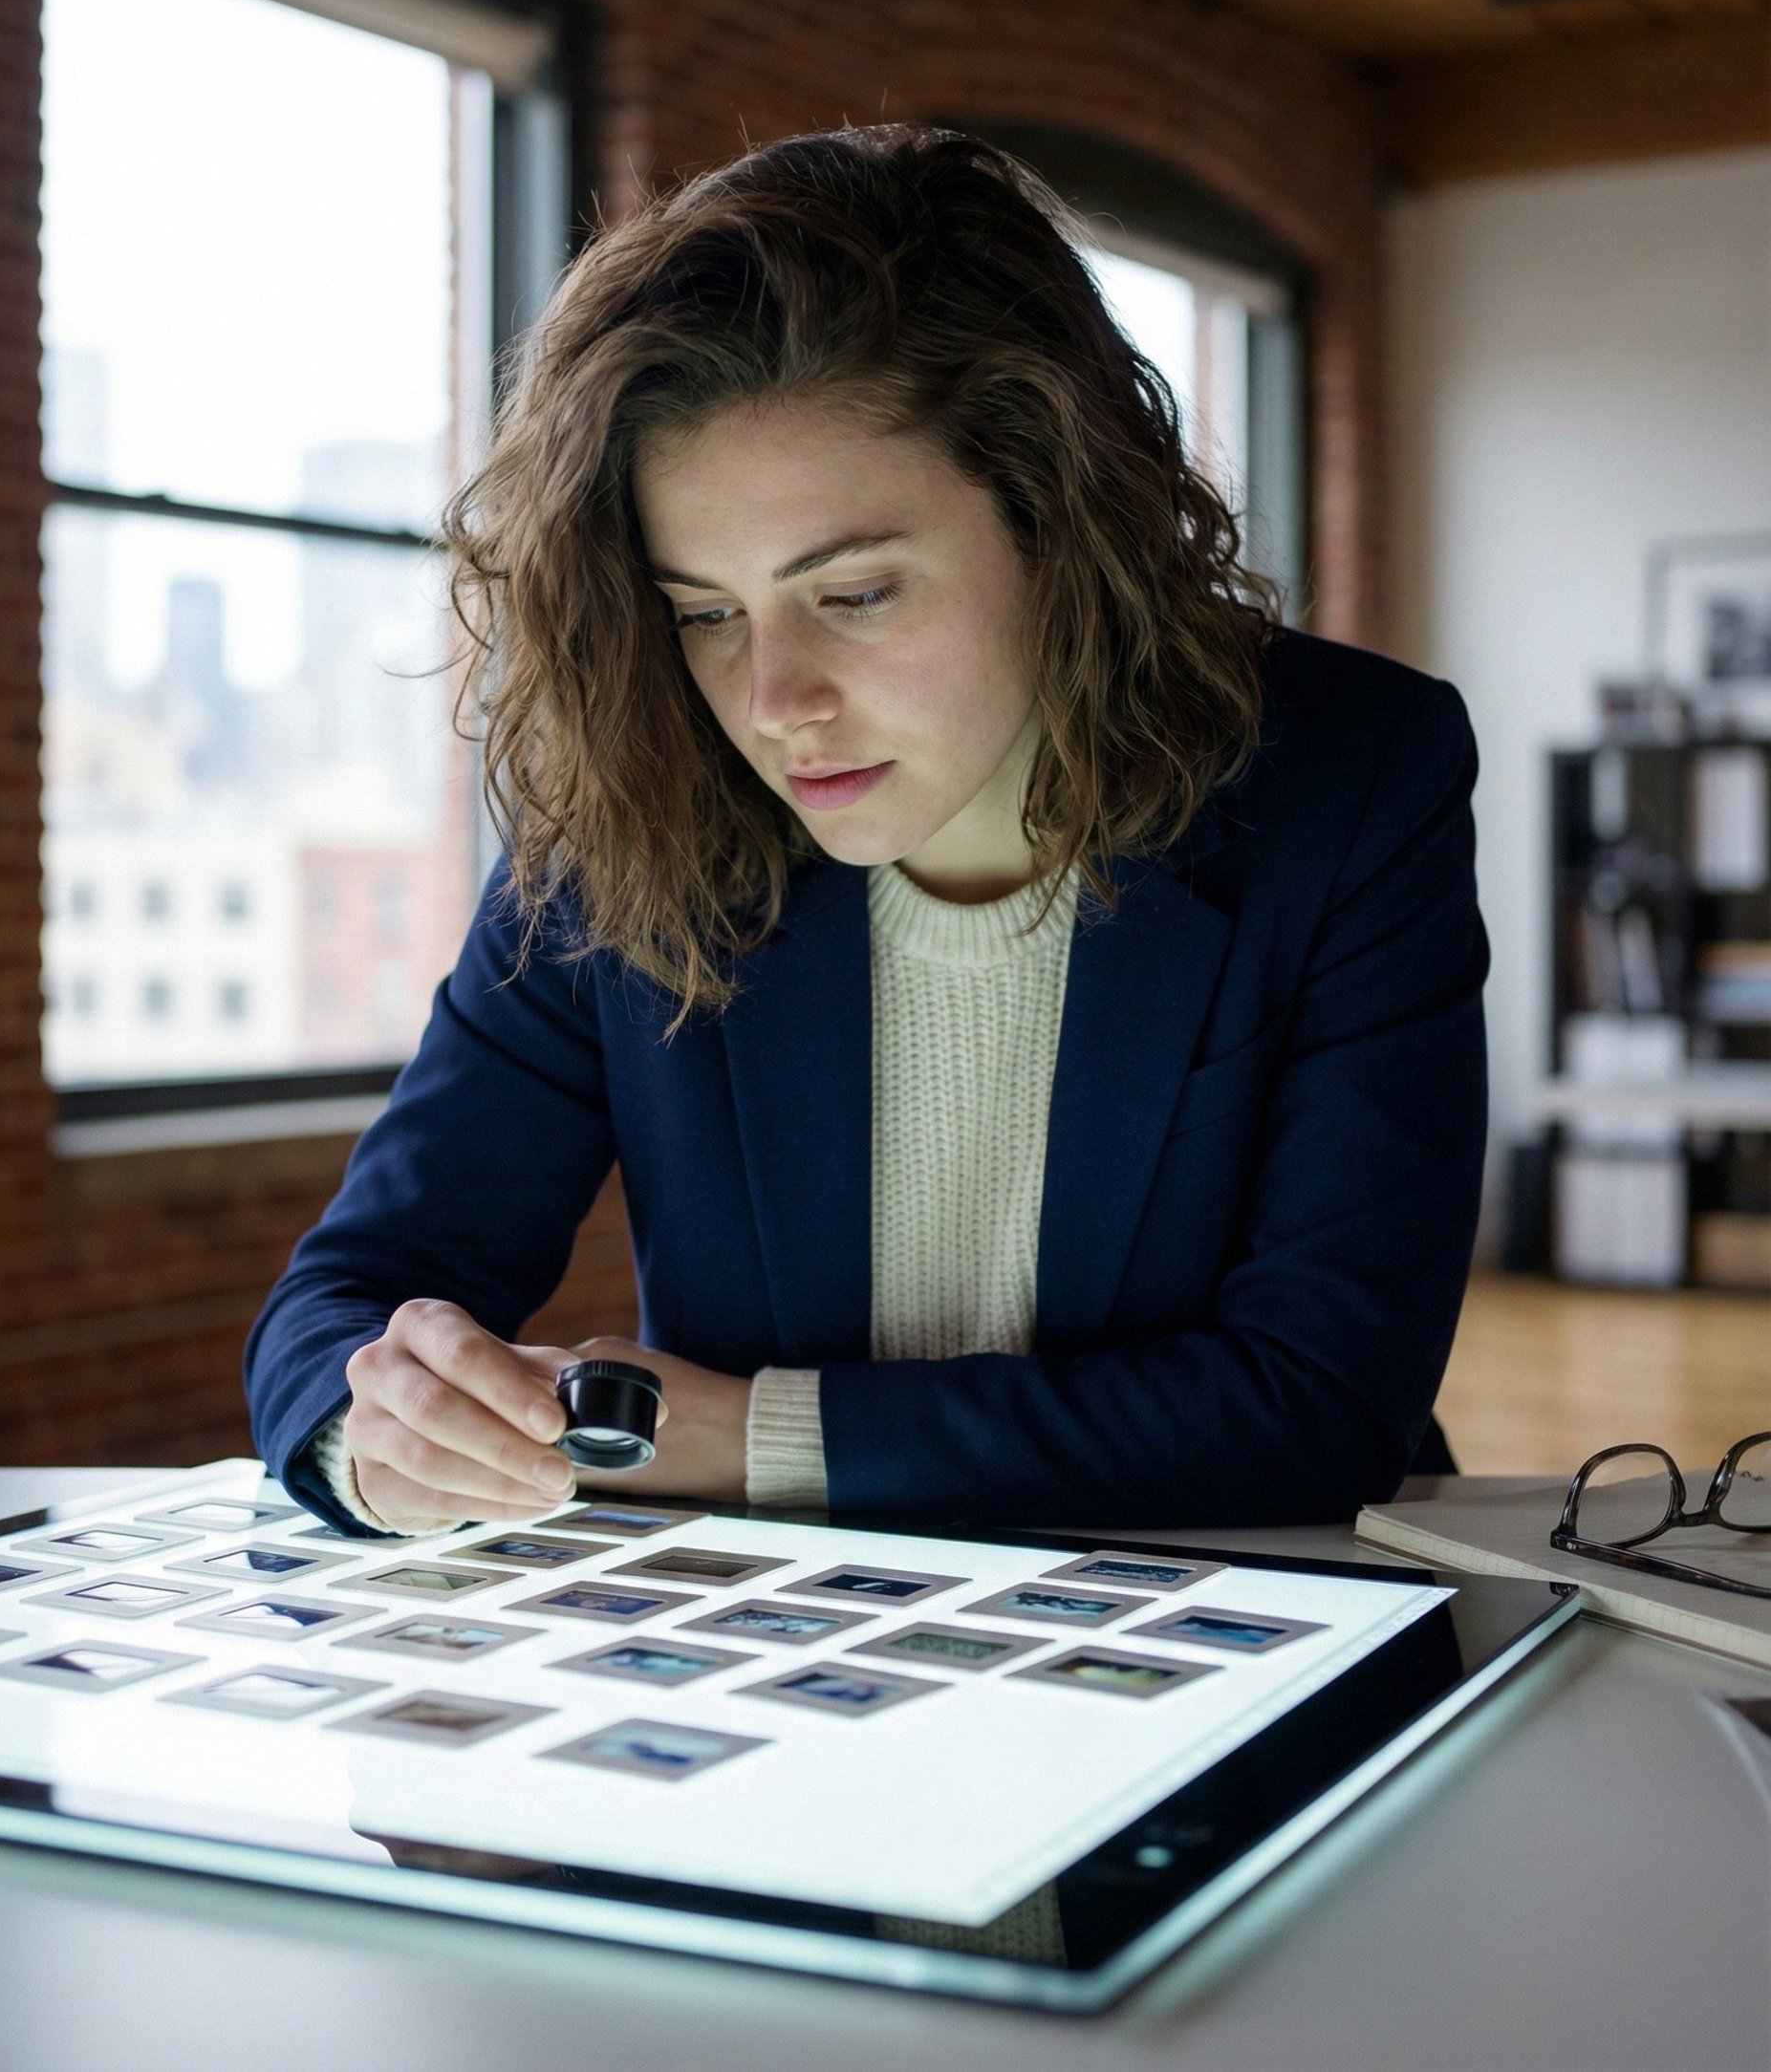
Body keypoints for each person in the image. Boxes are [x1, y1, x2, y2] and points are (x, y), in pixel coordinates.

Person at [245, 123, 1487, 1537]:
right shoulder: (635, 814)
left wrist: (750, 1432)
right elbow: (340, 1304)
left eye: (854, 594)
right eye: (704, 611)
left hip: (1255, 1611)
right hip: (787, 1674)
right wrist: (378, 1431)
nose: (773, 704)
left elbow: (1318, 1405)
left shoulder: (1350, 779)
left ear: (1057, 526)